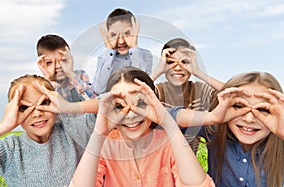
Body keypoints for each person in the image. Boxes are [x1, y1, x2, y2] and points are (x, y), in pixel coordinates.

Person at [69, 67, 215, 187]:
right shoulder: (105, 146)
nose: (131, 114)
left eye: (140, 103)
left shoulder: (168, 143)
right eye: (119, 106)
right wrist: (99, 133)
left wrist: (168, 123)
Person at [170, 71, 284, 186]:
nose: (249, 119)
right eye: (239, 106)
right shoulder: (216, 131)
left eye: (262, 110)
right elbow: (162, 118)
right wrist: (212, 117)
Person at [0, 74, 96, 186]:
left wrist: (69, 107)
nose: (37, 114)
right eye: (25, 107)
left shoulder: (75, 131)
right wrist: (4, 125)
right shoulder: (10, 149)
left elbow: (112, 105)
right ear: (14, 111)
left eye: (44, 103)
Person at [151, 38, 224, 153]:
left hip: (189, 164)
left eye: (184, 62)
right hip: (159, 162)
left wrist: (198, 72)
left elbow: (236, 93)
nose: (178, 67)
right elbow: (130, 97)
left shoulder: (200, 91)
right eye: (170, 62)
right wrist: (157, 71)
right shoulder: (158, 91)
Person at [92, 8, 153, 95]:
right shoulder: (106, 57)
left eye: (127, 33)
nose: (121, 41)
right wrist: (108, 48)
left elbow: (140, 86)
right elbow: (98, 89)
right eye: (114, 35)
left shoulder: (145, 55)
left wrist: (133, 47)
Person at [36, 34, 96, 104]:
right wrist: (49, 80)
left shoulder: (80, 76)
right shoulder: (40, 86)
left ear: (70, 59)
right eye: (49, 62)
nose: (58, 66)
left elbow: (94, 103)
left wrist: (71, 75)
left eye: (63, 60)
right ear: (42, 65)